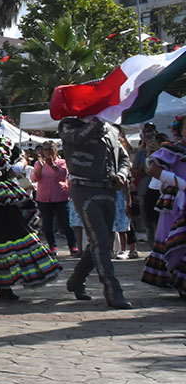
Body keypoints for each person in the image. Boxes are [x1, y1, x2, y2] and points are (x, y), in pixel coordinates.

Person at [0, 109, 61, 299]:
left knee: (15, 234)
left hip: (6, 193)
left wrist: (19, 166)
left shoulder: (3, 143)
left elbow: (21, 156)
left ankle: (8, 282)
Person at [59, 116, 133, 309]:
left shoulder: (113, 130)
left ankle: (76, 280)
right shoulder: (69, 126)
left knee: (102, 242)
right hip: (84, 189)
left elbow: (124, 159)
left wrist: (122, 175)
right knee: (100, 241)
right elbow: (78, 138)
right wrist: (98, 120)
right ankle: (113, 291)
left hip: (108, 190)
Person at [142, 116, 186, 295]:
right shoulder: (173, 149)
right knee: (175, 240)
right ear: (181, 130)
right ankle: (177, 279)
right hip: (176, 202)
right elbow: (152, 168)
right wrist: (178, 182)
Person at [30, 141, 77, 257]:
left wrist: (52, 165)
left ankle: (73, 246)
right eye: (45, 149)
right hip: (44, 198)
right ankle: (52, 246)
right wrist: (40, 168)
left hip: (60, 196)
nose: (47, 152)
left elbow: (62, 175)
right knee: (48, 225)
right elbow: (35, 178)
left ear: (55, 150)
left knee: (66, 224)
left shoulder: (62, 162)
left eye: (50, 149)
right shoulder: (39, 163)